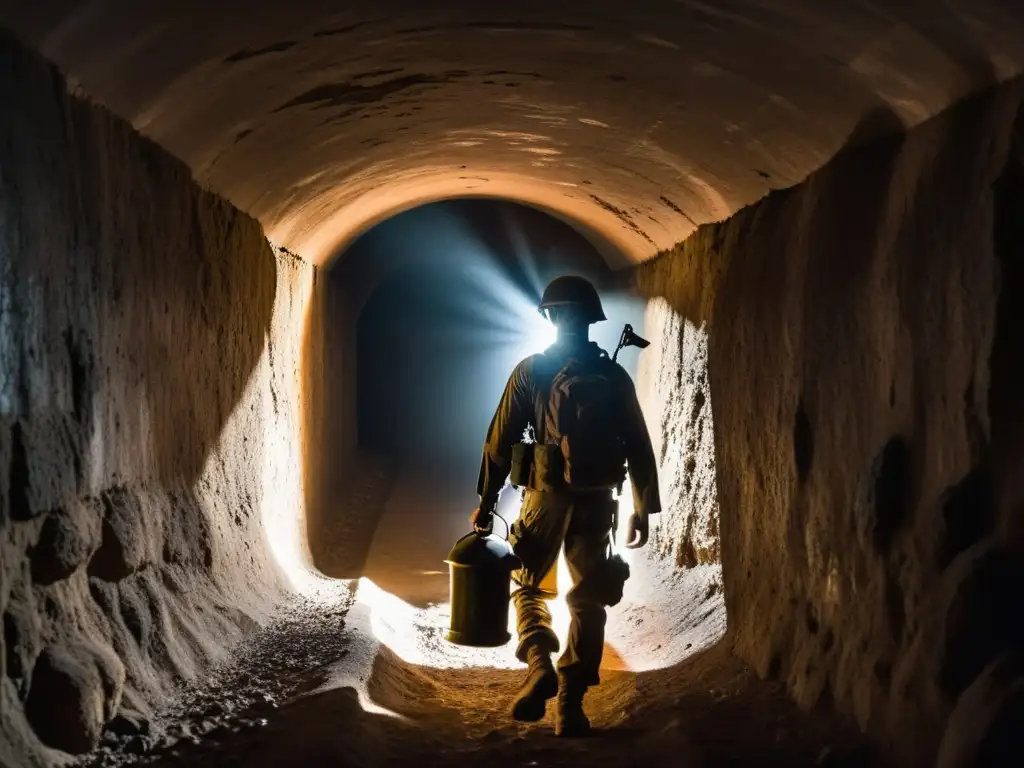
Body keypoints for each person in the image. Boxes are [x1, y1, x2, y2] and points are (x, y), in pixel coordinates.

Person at [471, 275, 661, 737]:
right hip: (597, 500)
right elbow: (638, 442)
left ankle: (539, 664)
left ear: (551, 317)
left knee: (530, 587)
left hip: (543, 497)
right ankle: (571, 704)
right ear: (593, 319)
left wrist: (486, 500)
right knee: (589, 598)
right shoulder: (612, 375)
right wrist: (642, 507)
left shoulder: (531, 372)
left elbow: (499, 441)